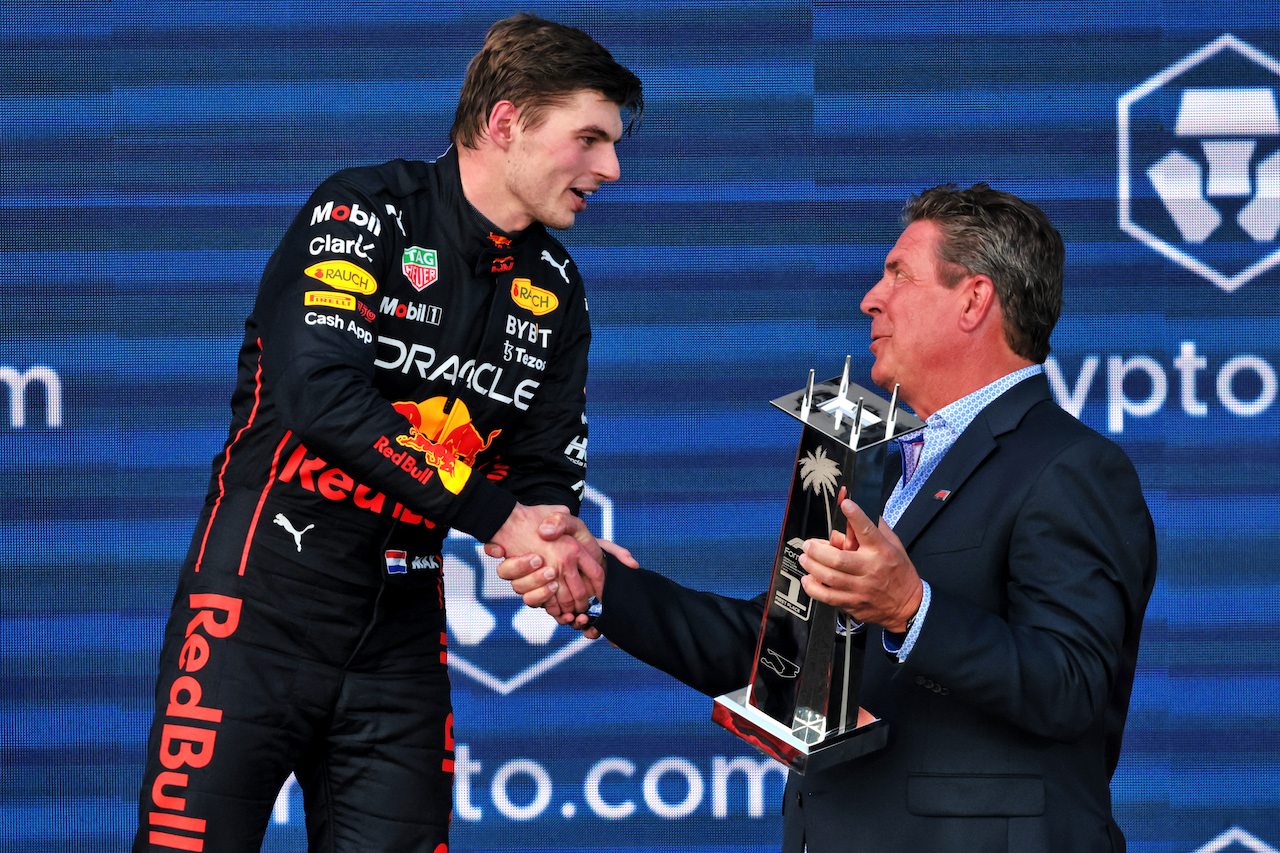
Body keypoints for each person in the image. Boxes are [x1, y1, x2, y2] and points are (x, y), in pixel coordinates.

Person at [498, 184, 1158, 852]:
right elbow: (777, 648)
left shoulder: (1070, 465)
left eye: (899, 273)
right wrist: (607, 586)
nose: (872, 296)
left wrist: (911, 609)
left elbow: (1072, 684)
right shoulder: (882, 461)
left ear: (974, 299)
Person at [133, 14, 642, 852]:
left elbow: (544, 464)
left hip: (400, 639)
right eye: (589, 138)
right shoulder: (361, 211)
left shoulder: (557, 287)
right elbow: (323, 399)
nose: (611, 169)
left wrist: (561, 544)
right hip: (253, 615)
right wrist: (499, 516)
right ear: (505, 120)